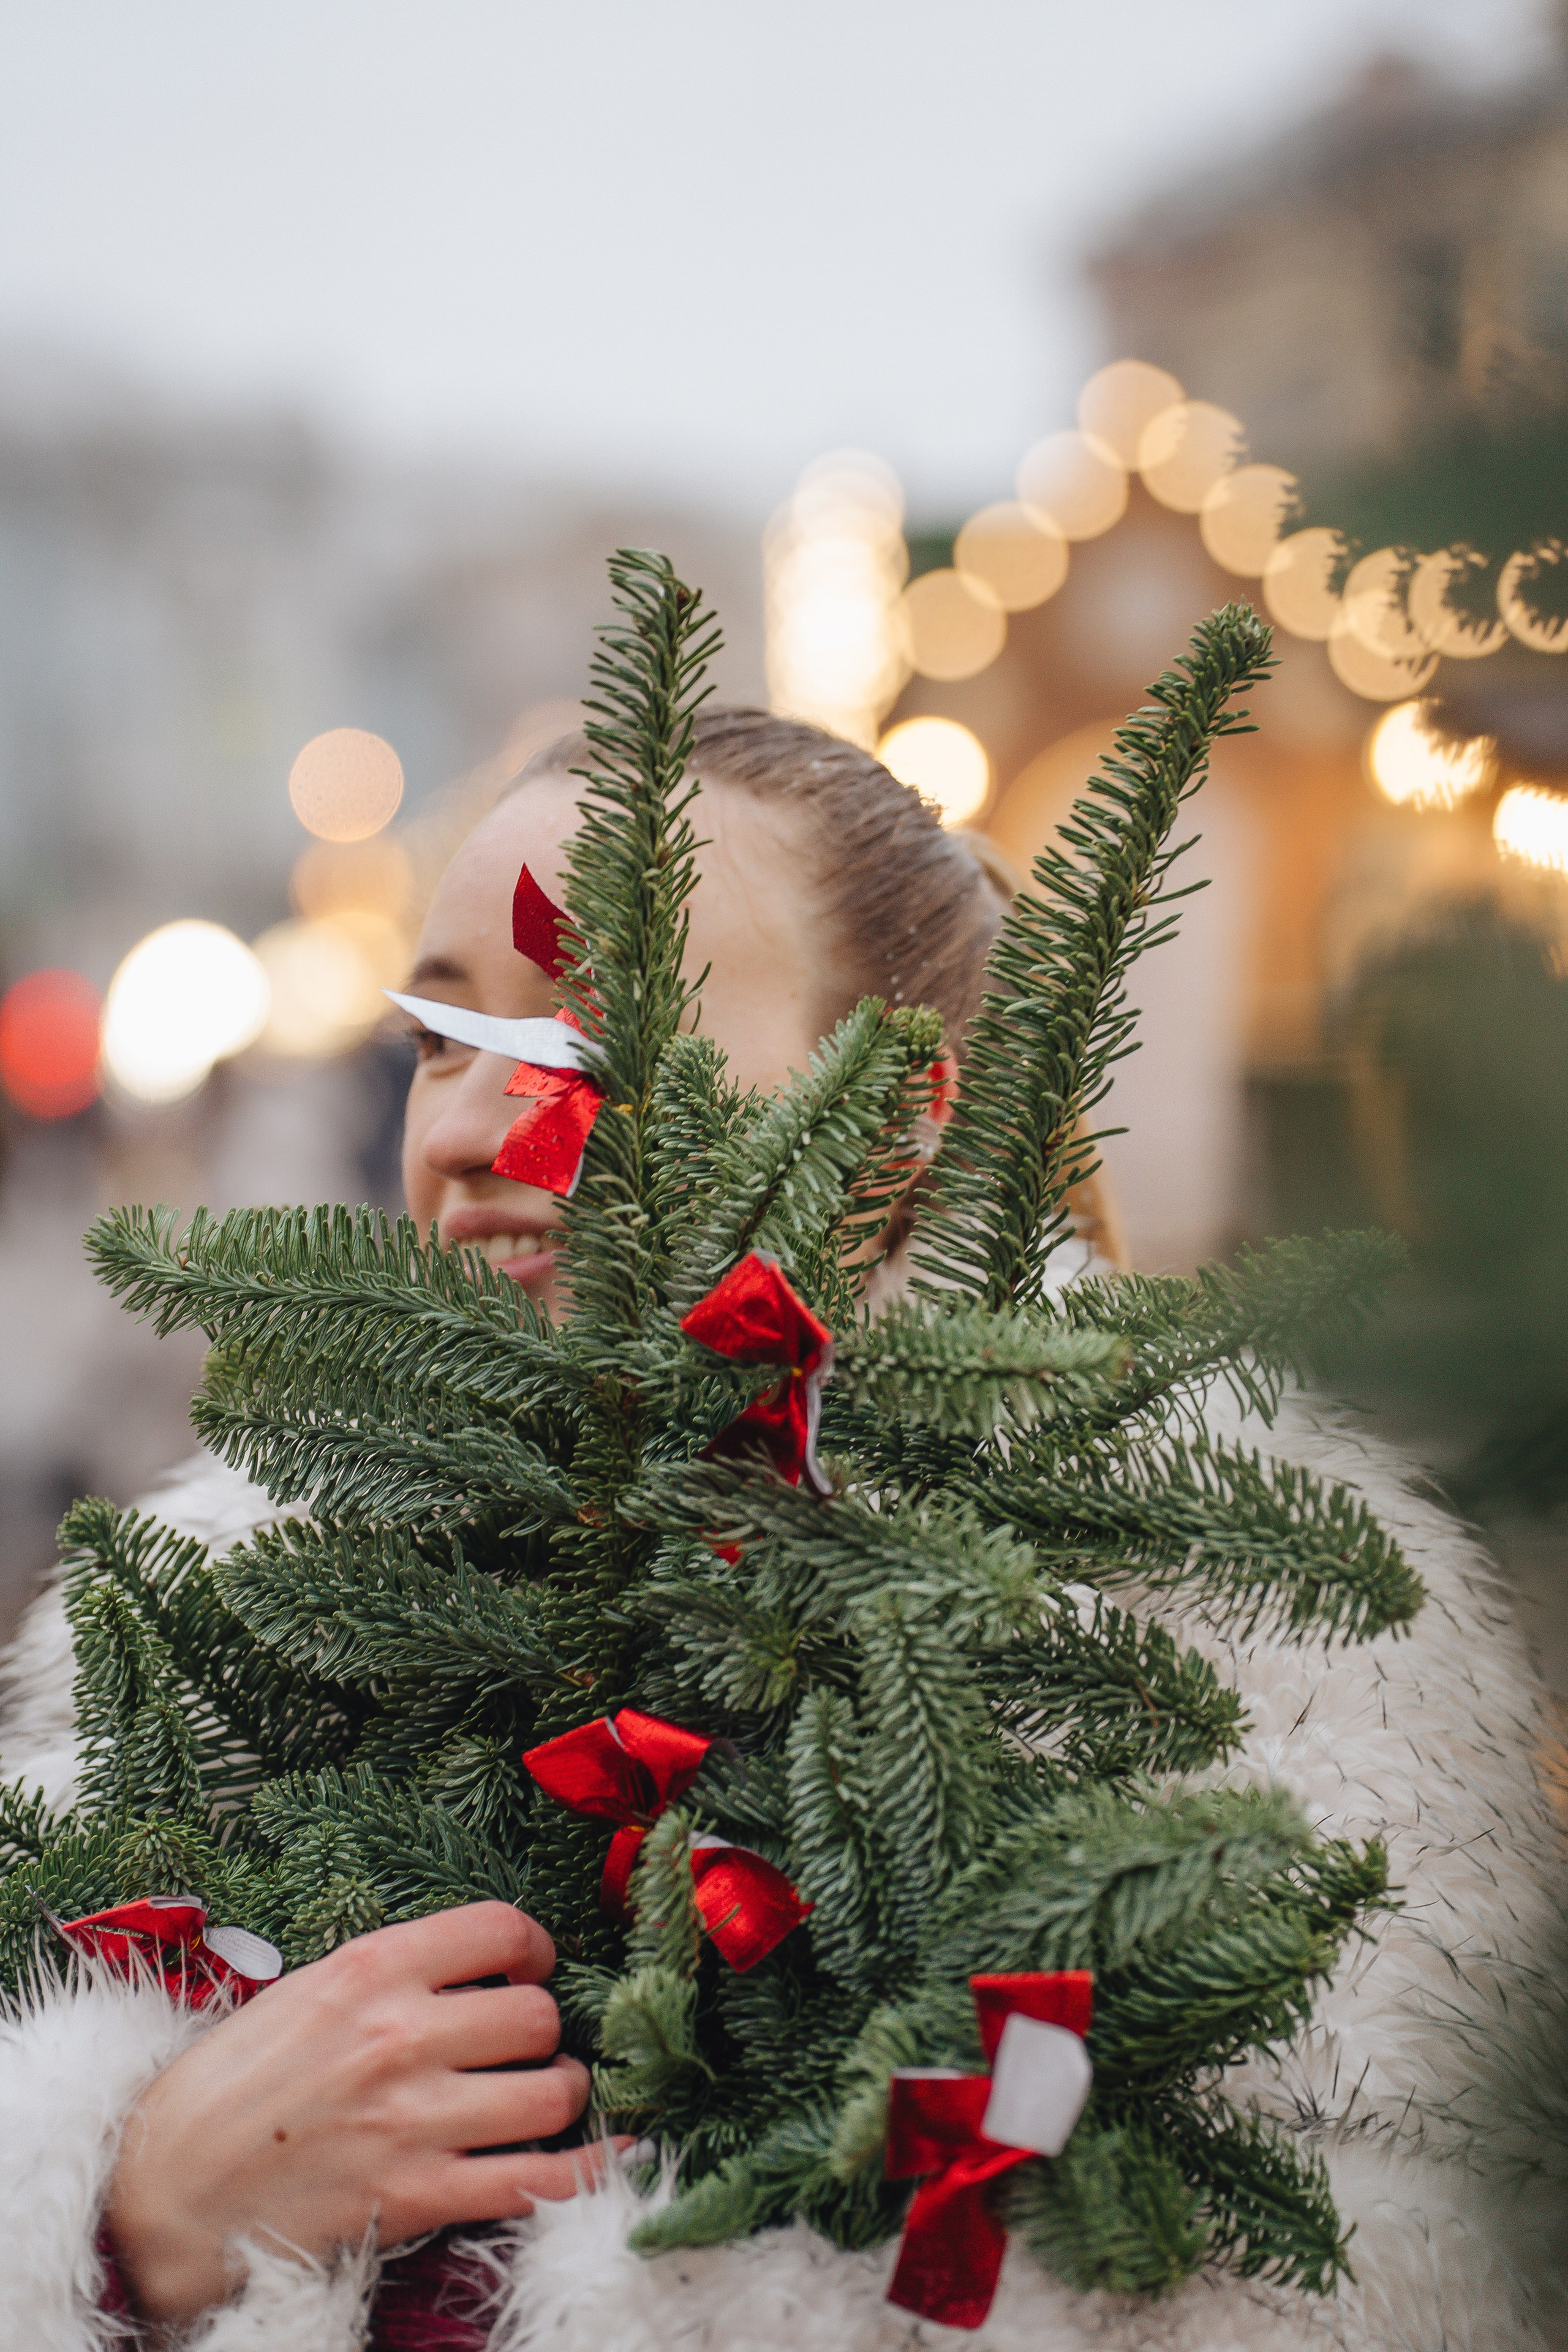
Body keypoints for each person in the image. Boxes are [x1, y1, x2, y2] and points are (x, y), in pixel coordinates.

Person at [1, 710, 1562, 2351]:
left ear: (894, 1120)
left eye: (601, 1035)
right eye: (444, 1036)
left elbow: (1396, 2273)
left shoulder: (1247, 1643)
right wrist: (134, 2216)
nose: (465, 1130)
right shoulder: (241, 1616)